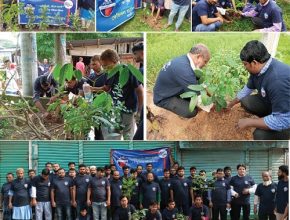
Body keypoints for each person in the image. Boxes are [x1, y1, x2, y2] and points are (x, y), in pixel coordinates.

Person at [227, 40, 290, 140]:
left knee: (259, 135)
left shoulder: (277, 80)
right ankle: (269, 117)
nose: (244, 67)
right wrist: (230, 104)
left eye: (245, 64)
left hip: (286, 119)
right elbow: (247, 90)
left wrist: (249, 122)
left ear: (254, 63)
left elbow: (284, 120)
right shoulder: (258, 71)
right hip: (275, 104)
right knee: (245, 101)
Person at [92, 49, 144, 140]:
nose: (104, 68)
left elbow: (140, 91)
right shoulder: (110, 73)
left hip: (129, 108)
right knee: (115, 133)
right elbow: (106, 88)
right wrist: (92, 88)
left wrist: (139, 111)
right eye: (103, 66)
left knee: (127, 135)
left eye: (106, 65)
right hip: (116, 109)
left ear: (114, 61)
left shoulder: (128, 71)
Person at [153, 44, 210, 118]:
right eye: (205, 61)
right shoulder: (184, 70)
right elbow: (199, 98)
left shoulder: (183, 60)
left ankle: (181, 100)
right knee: (191, 111)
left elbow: (198, 83)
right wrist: (212, 107)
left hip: (169, 88)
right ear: (198, 57)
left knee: (195, 83)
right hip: (164, 97)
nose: (205, 65)